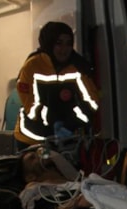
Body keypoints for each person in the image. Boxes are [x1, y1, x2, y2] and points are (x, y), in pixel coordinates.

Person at [13, 21, 100, 150]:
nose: (64, 49)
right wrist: (54, 121)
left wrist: (71, 122)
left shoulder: (79, 66)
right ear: (49, 43)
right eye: (59, 43)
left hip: (66, 138)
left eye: (68, 43)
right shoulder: (32, 66)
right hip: (32, 138)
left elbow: (92, 102)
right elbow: (31, 107)